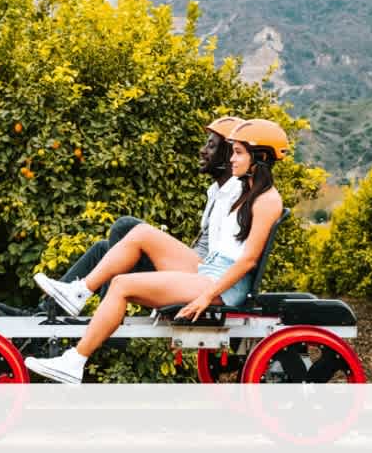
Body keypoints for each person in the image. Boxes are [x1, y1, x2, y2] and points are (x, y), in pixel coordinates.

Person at [23, 119, 289, 384]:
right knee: (138, 233)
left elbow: (249, 260)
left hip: (224, 285)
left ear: (261, 157)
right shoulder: (244, 190)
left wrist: (206, 296)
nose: (232, 159)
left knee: (121, 284)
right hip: (211, 268)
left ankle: (74, 361)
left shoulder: (267, 200)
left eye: (239, 152)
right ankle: (79, 291)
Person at [0, 116, 246, 317]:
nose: (202, 151)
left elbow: (221, 256)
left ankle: (107, 312)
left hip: (200, 277)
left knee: (126, 227)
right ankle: (44, 312)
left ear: (227, 154)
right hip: (191, 268)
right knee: (105, 249)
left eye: (211, 146)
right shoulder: (217, 191)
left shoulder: (235, 193)